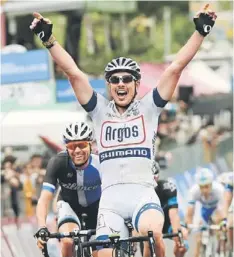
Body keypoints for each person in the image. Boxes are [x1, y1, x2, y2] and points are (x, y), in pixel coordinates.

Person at [30, 6, 217, 257]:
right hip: (111, 203)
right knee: (103, 254)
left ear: (137, 84)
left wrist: (200, 32)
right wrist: (49, 41)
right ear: (108, 85)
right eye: (115, 80)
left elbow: (175, 68)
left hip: (142, 194)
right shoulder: (100, 111)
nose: (121, 84)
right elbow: (73, 73)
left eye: (127, 79)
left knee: (152, 232)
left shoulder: (149, 108)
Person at [34, 121, 102, 257]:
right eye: (72, 146)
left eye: (82, 145)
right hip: (69, 205)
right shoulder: (58, 162)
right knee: (67, 242)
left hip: (97, 207)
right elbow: (44, 199)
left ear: (90, 145)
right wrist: (42, 227)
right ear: (66, 148)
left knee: (100, 253)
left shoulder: (100, 162)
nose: (77, 151)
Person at [185, 168, 227, 257]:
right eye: (201, 187)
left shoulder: (219, 189)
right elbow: (190, 212)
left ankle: (221, 249)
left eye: (207, 186)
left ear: (211, 184)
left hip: (216, 209)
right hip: (204, 209)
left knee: (220, 226)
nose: (204, 190)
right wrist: (188, 226)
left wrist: (223, 222)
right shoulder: (194, 191)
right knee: (198, 239)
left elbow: (223, 210)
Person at [217, 171, 233, 254]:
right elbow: (227, 201)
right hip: (229, 205)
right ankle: (230, 247)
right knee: (228, 223)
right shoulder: (231, 179)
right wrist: (225, 219)